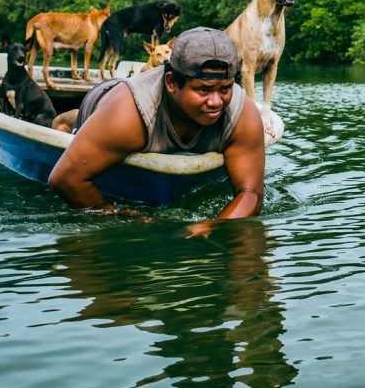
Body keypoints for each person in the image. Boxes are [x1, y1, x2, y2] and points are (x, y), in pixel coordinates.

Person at [47, 27, 265, 237]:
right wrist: (111, 212)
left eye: (225, 88)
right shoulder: (128, 113)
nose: (216, 102)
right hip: (104, 101)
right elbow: (66, 178)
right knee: (67, 122)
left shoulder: (241, 112)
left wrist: (214, 225)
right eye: (204, 90)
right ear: (171, 82)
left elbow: (251, 193)